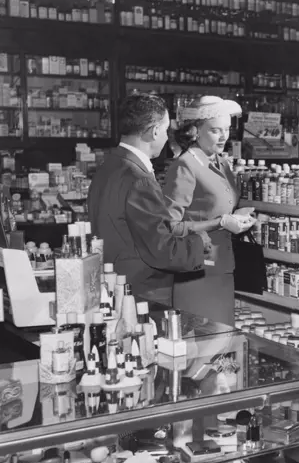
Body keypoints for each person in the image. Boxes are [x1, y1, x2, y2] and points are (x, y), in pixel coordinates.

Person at [88, 93, 212, 305]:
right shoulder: (139, 180)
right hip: (141, 291)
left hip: (111, 281)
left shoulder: (109, 166)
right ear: (155, 132)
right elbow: (162, 250)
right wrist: (199, 243)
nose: (166, 137)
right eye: (165, 130)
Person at [159, 96, 255, 325]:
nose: (223, 136)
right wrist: (220, 222)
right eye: (215, 130)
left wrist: (237, 216)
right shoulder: (185, 166)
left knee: (221, 342)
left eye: (227, 130)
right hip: (196, 269)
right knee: (202, 344)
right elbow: (171, 227)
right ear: (195, 131)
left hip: (223, 266)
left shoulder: (221, 162)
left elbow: (219, 207)